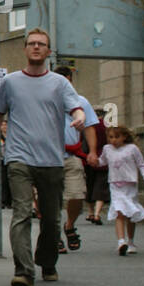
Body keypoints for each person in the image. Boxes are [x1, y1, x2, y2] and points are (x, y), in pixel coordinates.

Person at [0, 28, 85, 286]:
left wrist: (79, 116)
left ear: (48, 51)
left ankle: (47, 262)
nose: (36, 47)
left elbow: (76, 107)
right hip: (19, 158)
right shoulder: (11, 82)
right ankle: (24, 271)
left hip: (51, 160)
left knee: (50, 218)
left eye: (42, 44)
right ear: (25, 49)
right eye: (32, 43)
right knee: (22, 213)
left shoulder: (60, 83)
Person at [54, 66, 98, 253]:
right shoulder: (47, 100)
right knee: (49, 201)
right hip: (48, 158)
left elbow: (89, 127)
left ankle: (69, 225)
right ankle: (54, 235)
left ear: (70, 80)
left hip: (71, 156)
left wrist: (93, 152)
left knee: (77, 196)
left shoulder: (81, 101)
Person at [100, 125, 144, 255]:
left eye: (117, 137)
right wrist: (94, 161)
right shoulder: (107, 149)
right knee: (119, 212)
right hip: (115, 184)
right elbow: (102, 161)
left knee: (129, 214)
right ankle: (121, 241)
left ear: (124, 137)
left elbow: (141, 164)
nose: (113, 140)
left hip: (129, 185)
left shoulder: (132, 149)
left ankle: (130, 241)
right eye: (111, 137)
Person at [84, 109, 110, 224]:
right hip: (103, 159)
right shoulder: (106, 126)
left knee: (89, 185)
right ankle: (97, 214)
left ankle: (90, 212)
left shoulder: (87, 126)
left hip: (88, 158)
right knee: (101, 186)